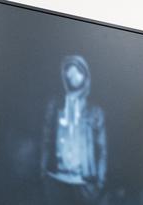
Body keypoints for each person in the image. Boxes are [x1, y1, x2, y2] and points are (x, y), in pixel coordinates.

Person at [43, 54, 106, 197]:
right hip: (56, 177)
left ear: (85, 75)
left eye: (77, 71)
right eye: (69, 72)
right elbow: (45, 141)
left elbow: (102, 149)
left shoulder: (95, 111)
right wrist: (43, 173)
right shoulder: (55, 106)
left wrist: (100, 182)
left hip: (84, 181)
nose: (73, 76)